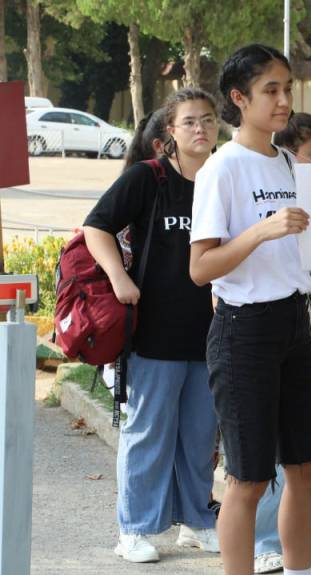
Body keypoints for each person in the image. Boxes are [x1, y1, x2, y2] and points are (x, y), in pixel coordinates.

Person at [189, 43, 311, 575]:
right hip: (244, 328)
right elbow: (201, 268)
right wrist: (263, 230)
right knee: (249, 478)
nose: (284, 101)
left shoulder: (289, 163)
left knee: (309, 466)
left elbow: (299, 251)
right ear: (239, 98)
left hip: (296, 319)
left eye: (288, 89)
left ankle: (299, 569)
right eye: (271, 90)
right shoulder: (222, 169)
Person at [83, 88, 221, 564]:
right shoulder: (149, 177)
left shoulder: (224, 177)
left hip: (212, 332)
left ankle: (197, 521)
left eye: (208, 119)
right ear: (170, 131)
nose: (201, 128)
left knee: (200, 436)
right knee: (149, 433)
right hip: (155, 334)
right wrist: (118, 277)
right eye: (190, 121)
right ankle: (134, 528)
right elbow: (96, 226)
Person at [248, 111, 311, 574]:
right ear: (288, 155)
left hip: (309, 316)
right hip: (266, 326)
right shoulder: (259, 193)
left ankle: (302, 544)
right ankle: (266, 540)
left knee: (308, 449)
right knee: (266, 450)